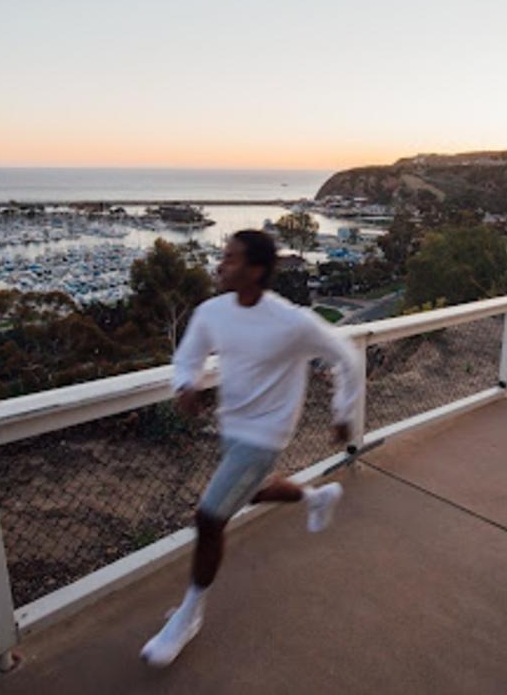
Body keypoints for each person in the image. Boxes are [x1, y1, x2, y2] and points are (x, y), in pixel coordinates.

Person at [140, 229, 364, 667]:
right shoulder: (212, 312)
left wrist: (343, 412)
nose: (221, 264)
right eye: (223, 256)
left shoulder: (291, 321)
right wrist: (187, 384)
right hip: (232, 426)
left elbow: (347, 357)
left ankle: (189, 614)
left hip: (267, 434)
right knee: (249, 493)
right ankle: (317, 496)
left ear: (257, 270)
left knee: (208, 519)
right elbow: (188, 357)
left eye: (231, 258)